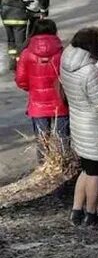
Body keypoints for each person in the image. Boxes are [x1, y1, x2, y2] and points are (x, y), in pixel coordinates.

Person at [60, 27, 98, 228]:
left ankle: (76, 211)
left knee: (86, 168)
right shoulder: (89, 71)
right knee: (96, 173)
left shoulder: (66, 63)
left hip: (79, 123)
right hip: (94, 128)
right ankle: (91, 214)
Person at [14, 18, 68, 161]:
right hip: (60, 103)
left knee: (43, 141)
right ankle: (65, 165)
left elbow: (20, 80)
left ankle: (46, 168)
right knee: (63, 138)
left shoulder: (26, 53)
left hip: (37, 104)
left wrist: (33, 89)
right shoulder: (62, 52)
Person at [1, 0, 43, 70]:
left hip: (5, 16)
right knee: (20, 42)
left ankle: (12, 60)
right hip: (19, 16)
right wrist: (41, 10)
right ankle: (20, 65)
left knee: (11, 39)